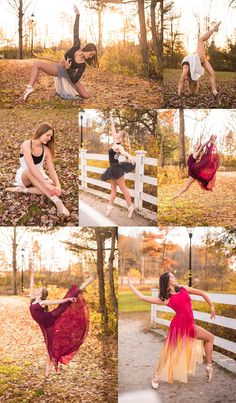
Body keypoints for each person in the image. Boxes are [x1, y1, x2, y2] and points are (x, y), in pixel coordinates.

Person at [128, 272, 215, 388]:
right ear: (167, 281)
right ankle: (156, 377)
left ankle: (209, 366)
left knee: (210, 338)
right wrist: (131, 286)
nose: (175, 278)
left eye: (174, 276)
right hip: (178, 328)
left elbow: (202, 293)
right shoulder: (166, 299)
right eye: (172, 277)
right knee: (169, 352)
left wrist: (211, 306)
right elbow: (142, 297)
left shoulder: (183, 289)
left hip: (190, 326)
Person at [22, 5, 98, 101]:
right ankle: (29, 88)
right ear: (87, 49)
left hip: (70, 76)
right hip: (59, 69)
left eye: (92, 56)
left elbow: (74, 80)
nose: (90, 57)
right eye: (91, 54)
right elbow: (75, 30)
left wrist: (69, 68)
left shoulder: (83, 65)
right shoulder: (76, 46)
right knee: (37, 64)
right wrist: (78, 15)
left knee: (86, 95)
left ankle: (76, 90)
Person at [29, 265, 94, 377]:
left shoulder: (42, 303)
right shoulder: (33, 299)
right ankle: (48, 370)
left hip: (48, 320)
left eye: (38, 290)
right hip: (43, 322)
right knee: (48, 346)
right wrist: (32, 275)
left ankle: (87, 282)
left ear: (41, 294)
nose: (36, 290)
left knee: (63, 306)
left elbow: (56, 301)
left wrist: (67, 299)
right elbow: (31, 286)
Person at [6, 122, 70, 216]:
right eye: (47, 135)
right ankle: (57, 201)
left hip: (40, 174)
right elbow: (31, 166)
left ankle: (22, 190)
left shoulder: (46, 150)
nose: (49, 138)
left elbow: (51, 170)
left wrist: (58, 185)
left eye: (50, 137)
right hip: (25, 174)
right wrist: (46, 185)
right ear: (40, 132)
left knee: (51, 184)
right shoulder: (26, 145)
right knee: (34, 175)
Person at [101, 113, 136, 219]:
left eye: (119, 135)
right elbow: (113, 129)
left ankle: (130, 207)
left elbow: (124, 153)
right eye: (117, 134)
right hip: (112, 169)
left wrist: (129, 156)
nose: (116, 134)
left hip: (116, 169)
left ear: (120, 138)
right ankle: (109, 206)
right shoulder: (115, 143)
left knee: (123, 189)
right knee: (113, 191)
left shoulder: (119, 147)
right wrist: (111, 118)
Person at [178, 22, 221, 96]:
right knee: (200, 40)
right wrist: (179, 93)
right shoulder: (186, 66)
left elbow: (181, 81)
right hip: (198, 60)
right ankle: (214, 28)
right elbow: (181, 81)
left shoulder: (186, 68)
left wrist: (179, 92)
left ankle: (214, 91)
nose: (185, 77)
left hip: (199, 61)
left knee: (212, 74)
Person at [173, 134, 219, 199]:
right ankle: (177, 194)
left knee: (203, 178)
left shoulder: (196, 154)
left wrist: (210, 140)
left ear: (198, 148)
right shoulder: (194, 153)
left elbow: (203, 146)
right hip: (193, 172)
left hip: (194, 169)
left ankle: (210, 187)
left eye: (196, 145)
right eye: (195, 144)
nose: (195, 145)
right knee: (186, 186)